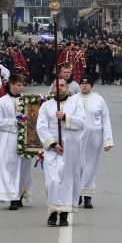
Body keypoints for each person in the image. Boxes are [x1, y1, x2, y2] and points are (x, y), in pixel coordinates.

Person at [37, 77, 86, 227]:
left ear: (68, 88)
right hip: (52, 149)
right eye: (57, 86)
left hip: (69, 149)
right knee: (52, 180)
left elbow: (82, 122)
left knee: (66, 180)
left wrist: (65, 117)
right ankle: (52, 213)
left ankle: (64, 214)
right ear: (52, 89)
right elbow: (41, 126)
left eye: (63, 85)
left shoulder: (76, 102)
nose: (60, 88)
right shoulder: (46, 106)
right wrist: (52, 143)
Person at [71, 76, 114, 209]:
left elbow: (105, 119)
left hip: (94, 137)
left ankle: (88, 195)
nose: (84, 86)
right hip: (77, 136)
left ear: (91, 86)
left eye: (87, 84)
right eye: (82, 84)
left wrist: (108, 140)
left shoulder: (99, 99)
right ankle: (77, 194)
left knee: (90, 165)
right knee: (77, 165)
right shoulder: (73, 99)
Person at [0, 73, 33, 210]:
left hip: (24, 137)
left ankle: (20, 194)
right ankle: (12, 197)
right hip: (8, 138)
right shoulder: (2, 101)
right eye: (18, 85)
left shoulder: (27, 100)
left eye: (22, 85)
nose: (21, 88)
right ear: (11, 85)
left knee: (23, 166)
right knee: (9, 166)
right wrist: (14, 122)